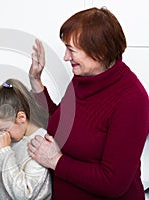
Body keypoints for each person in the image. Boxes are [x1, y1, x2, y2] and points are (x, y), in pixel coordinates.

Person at [27, 7, 149, 200]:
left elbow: (114, 182)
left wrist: (56, 161)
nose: (66, 57)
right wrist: (35, 80)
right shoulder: (83, 78)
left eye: (71, 50)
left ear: (99, 52)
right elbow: (60, 125)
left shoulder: (132, 98)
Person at [0, 78, 52, 200]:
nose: (0, 135)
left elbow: (24, 194)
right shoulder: (12, 139)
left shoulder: (39, 145)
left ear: (21, 117)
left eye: (2, 129)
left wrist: (5, 152)